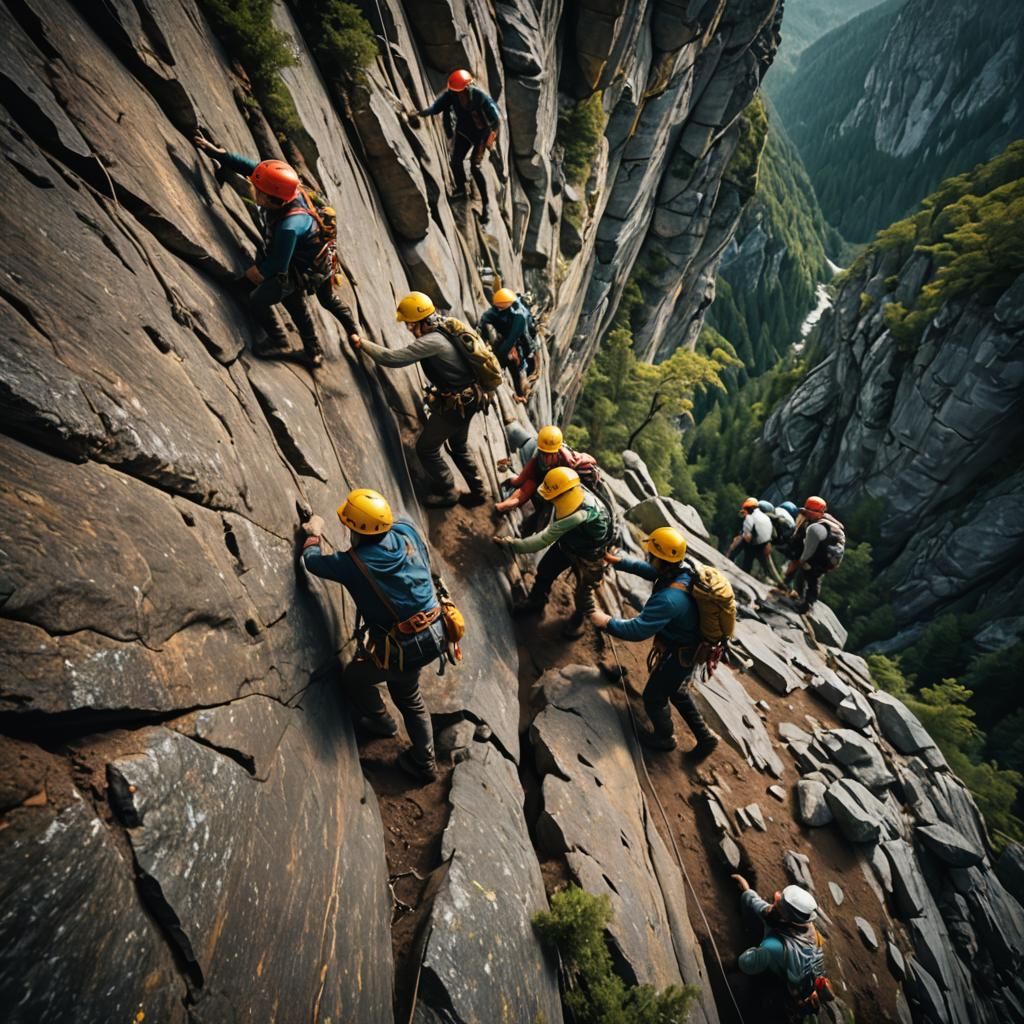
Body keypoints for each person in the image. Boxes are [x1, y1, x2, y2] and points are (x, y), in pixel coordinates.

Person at [300, 489, 444, 783]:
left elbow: (312, 561)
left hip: (409, 646)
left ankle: (404, 742)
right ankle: (409, 745)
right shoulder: (405, 530)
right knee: (406, 690)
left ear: (357, 530)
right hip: (437, 627)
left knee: (360, 679)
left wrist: (313, 534)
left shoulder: (354, 564)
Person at [193, 136, 361, 366]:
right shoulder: (288, 189)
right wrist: (220, 154)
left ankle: (280, 340)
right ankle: (314, 351)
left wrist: (256, 273)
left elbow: (278, 267)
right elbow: (255, 170)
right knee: (305, 302)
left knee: (261, 299)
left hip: (300, 267)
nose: (253, 188)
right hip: (315, 258)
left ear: (271, 199)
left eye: (257, 190)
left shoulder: (289, 227)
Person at [591, 527, 720, 761]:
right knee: (676, 689)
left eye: (652, 554)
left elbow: (637, 629)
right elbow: (651, 571)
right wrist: (617, 561)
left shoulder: (670, 600)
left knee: (653, 696)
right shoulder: (683, 569)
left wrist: (606, 621)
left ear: (662, 559)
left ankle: (665, 737)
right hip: (690, 645)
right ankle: (705, 737)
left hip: (681, 652)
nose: (648, 557)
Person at [351, 292, 487, 509]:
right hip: (471, 398)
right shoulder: (446, 325)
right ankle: (479, 492)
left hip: (456, 406)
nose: (408, 328)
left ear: (418, 321)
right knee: (459, 445)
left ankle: (447, 490)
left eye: (408, 324)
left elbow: (392, 359)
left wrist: (362, 344)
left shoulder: (431, 342)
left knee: (426, 448)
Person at [494, 467, 613, 638]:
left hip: (591, 554)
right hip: (569, 544)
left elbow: (544, 539)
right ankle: (536, 601)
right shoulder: (573, 490)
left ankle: (578, 619)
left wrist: (513, 545)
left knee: (584, 591)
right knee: (546, 569)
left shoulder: (579, 513)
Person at [731, 874, 834, 1018]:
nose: (773, 905)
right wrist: (748, 892)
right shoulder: (810, 929)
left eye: (779, 908)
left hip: (781, 987)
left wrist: (754, 953)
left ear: (786, 919)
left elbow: (745, 963)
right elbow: (766, 910)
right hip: (802, 982)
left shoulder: (774, 947)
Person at [416, 69, 500, 219]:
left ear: (467, 88)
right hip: (464, 133)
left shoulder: (480, 97)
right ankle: (461, 188)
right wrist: (420, 114)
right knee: (455, 162)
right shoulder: (451, 95)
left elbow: (496, 119)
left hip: (481, 135)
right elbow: (436, 108)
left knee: (475, 167)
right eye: (457, 92)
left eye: (461, 91)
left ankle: (486, 205)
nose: (459, 95)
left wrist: (491, 139)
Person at [496, 425, 600, 514]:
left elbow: (592, 460)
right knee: (524, 485)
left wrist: (579, 461)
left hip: (559, 483)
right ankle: (501, 507)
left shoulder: (568, 458)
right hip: (542, 478)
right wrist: (513, 481)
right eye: (543, 453)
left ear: (557, 452)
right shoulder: (537, 457)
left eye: (549, 454)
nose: (546, 457)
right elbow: (522, 479)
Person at [783, 496, 846, 612]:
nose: (806, 513)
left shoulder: (818, 528)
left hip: (825, 557)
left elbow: (809, 549)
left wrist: (802, 560)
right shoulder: (819, 522)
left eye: (809, 511)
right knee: (805, 572)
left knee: (812, 575)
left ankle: (807, 604)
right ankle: (799, 596)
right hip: (824, 553)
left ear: (817, 512)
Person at [479, 289, 536, 401]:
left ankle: (518, 395)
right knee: (513, 368)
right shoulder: (518, 318)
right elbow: (520, 340)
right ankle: (518, 395)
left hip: (505, 347)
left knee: (513, 368)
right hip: (506, 348)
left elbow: (483, 324)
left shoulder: (497, 314)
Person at [726, 497, 775, 580]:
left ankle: (729, 562)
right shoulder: (765, 518)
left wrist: (736, 543)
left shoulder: (751, 517)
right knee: (760, 564)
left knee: (746, 555)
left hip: (755, 543)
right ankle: (768, 577)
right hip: (763, 544)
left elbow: (747, 537)